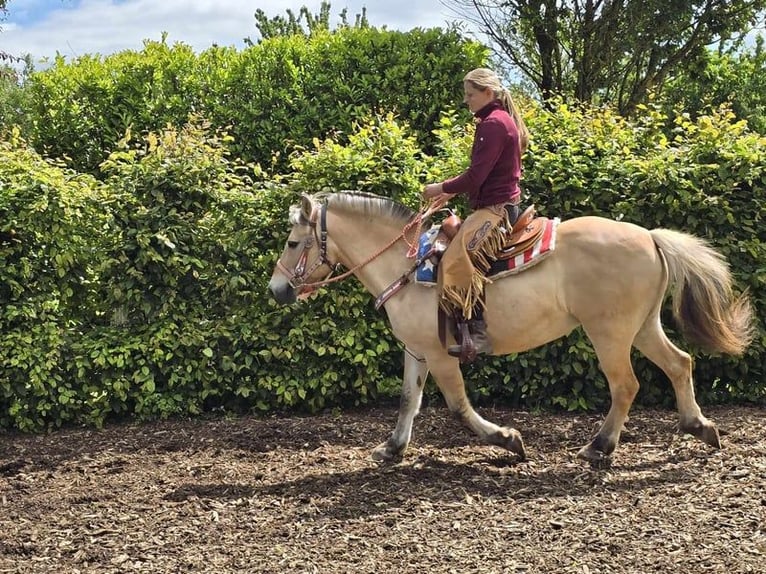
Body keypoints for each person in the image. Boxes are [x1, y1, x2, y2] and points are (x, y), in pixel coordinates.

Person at [423, 67, 529, 362]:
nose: (467, 100)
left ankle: (478, 333)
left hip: (497, 211)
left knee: (457, 257)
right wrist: (451, 192)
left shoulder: (493, 124)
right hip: (496, 205)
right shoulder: (497, 120)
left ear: (487, 93)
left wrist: (439, 187)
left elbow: (475, 176)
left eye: (470, 95)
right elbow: (482, 175)